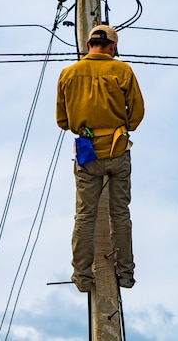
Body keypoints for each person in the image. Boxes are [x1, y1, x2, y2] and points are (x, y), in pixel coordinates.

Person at [55, 25, 145, 292]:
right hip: (117, 151)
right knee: (120, 214)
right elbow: (137, 115)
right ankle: (126, 273)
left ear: (87, 44)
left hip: (87, 153)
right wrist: (117, 126)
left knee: (84, 216)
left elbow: (62, 121)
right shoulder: (123, 71)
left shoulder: (68, 74)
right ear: (113, 47)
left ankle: (82, 276)